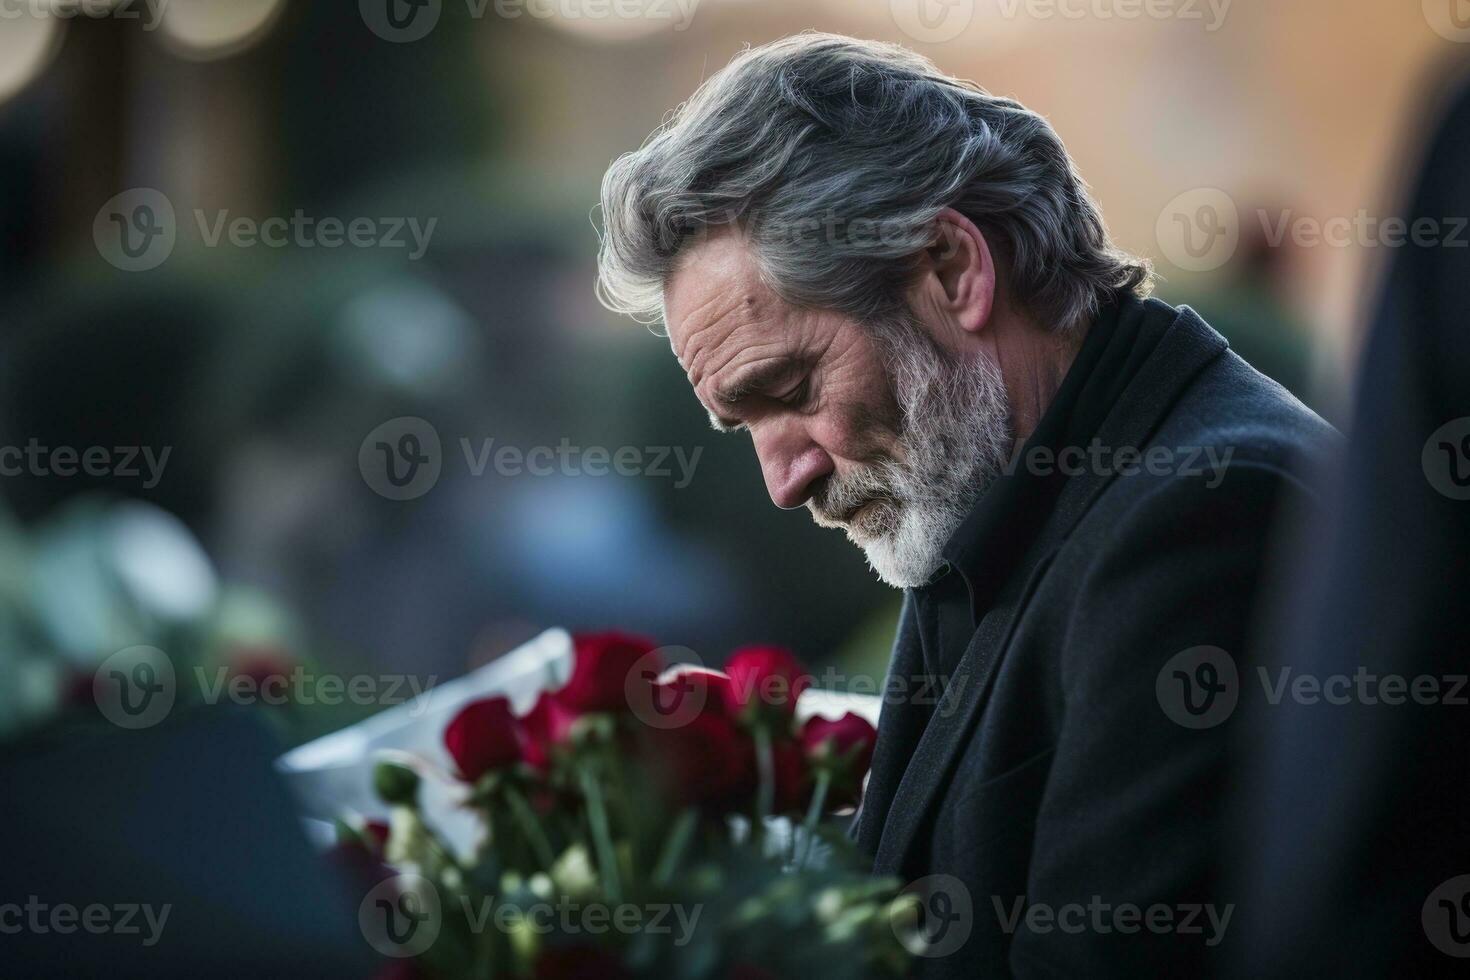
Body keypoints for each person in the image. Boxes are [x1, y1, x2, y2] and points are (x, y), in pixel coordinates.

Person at [597, 33, 1335, 976]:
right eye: (742, 423)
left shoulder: (1208, 513)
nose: (784, 480)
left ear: (951, 267)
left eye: (788, 391)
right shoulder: (1001, 489)